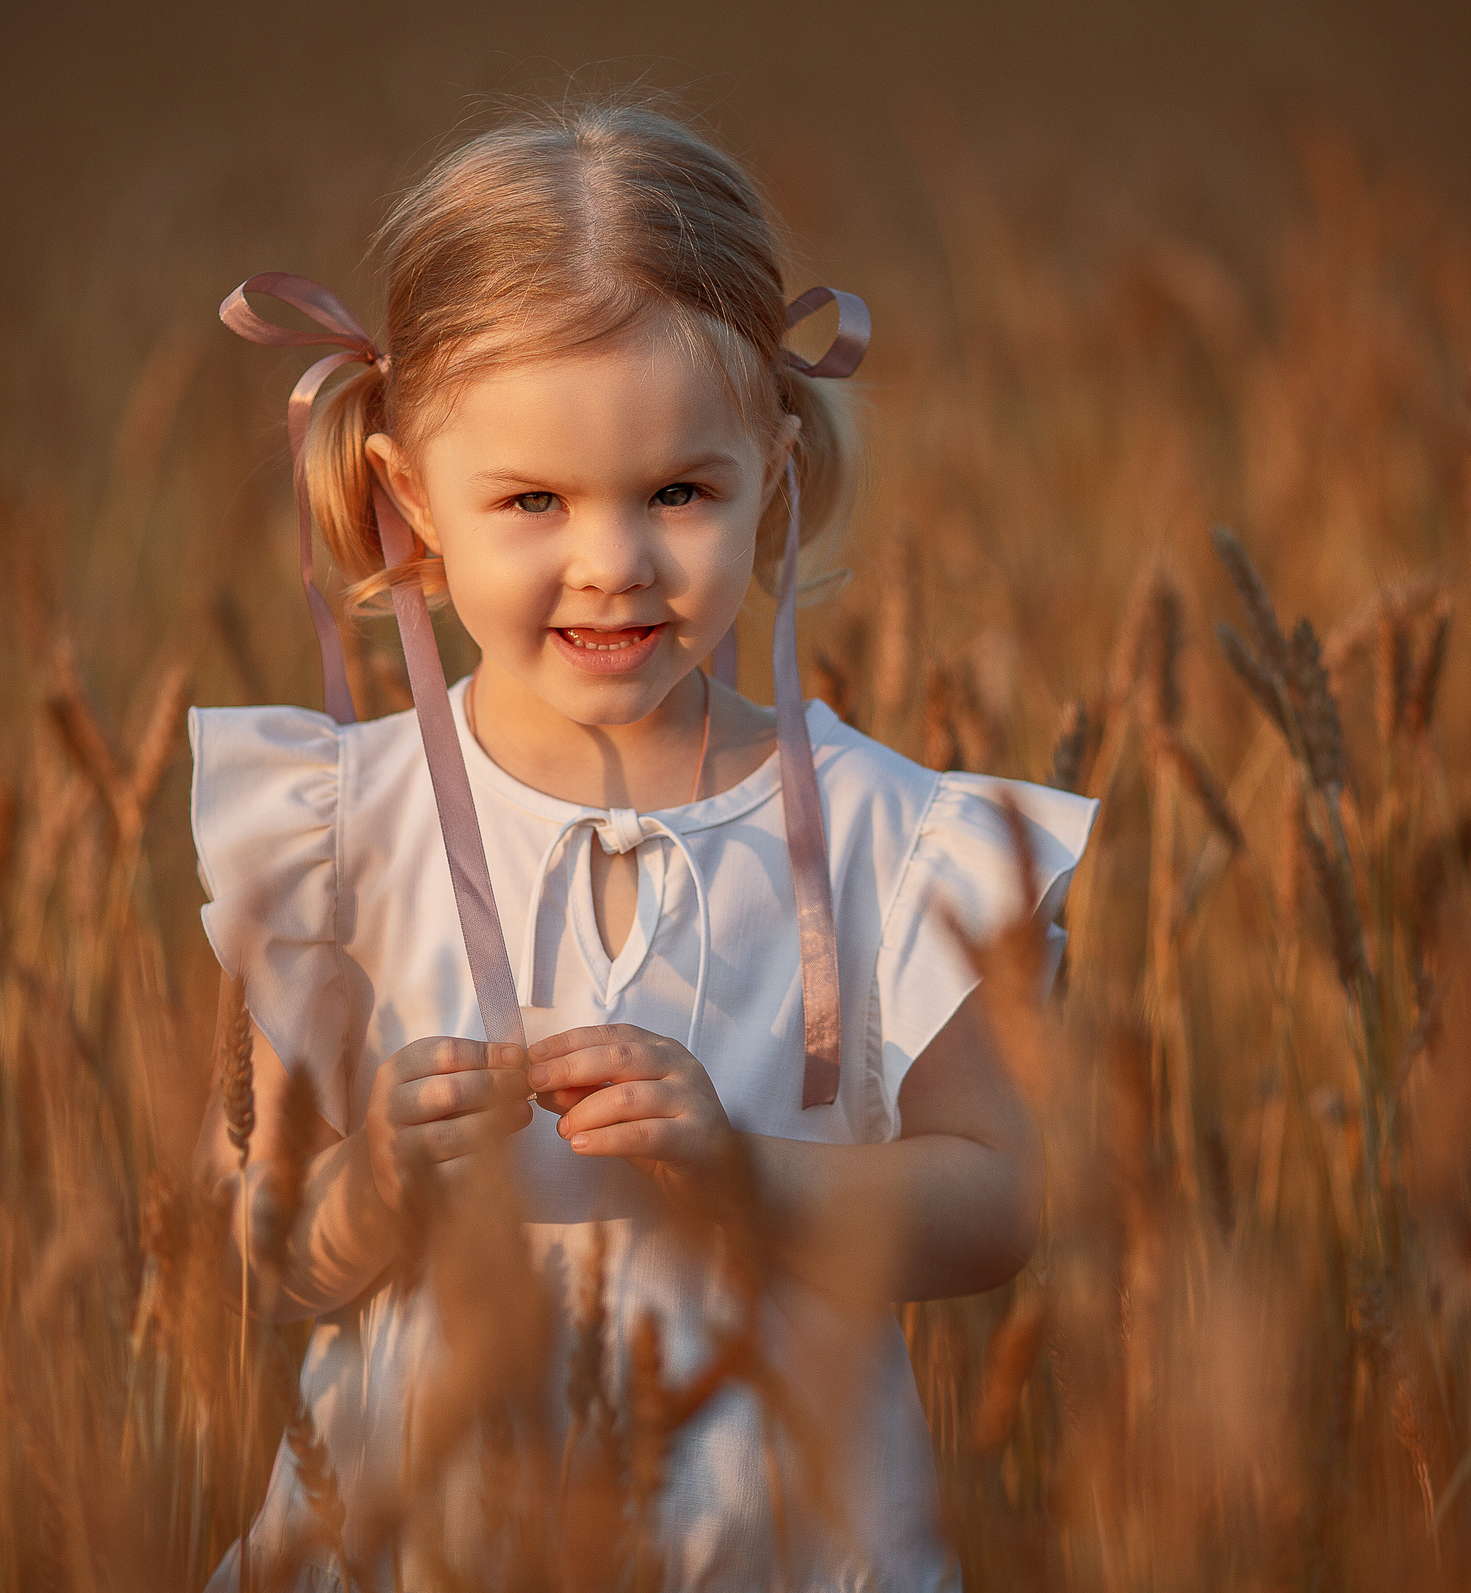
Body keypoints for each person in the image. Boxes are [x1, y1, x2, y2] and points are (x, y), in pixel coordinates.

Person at [189, 98, 1095, 1592]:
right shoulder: (336, 834)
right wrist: (371, 1191)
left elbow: (998, 1202)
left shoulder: (888, 837)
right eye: (531, 500)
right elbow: (259, 1244)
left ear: (776, 479)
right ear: (408, 500)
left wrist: (749, 1176)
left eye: (680, 491)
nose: (611, 558)